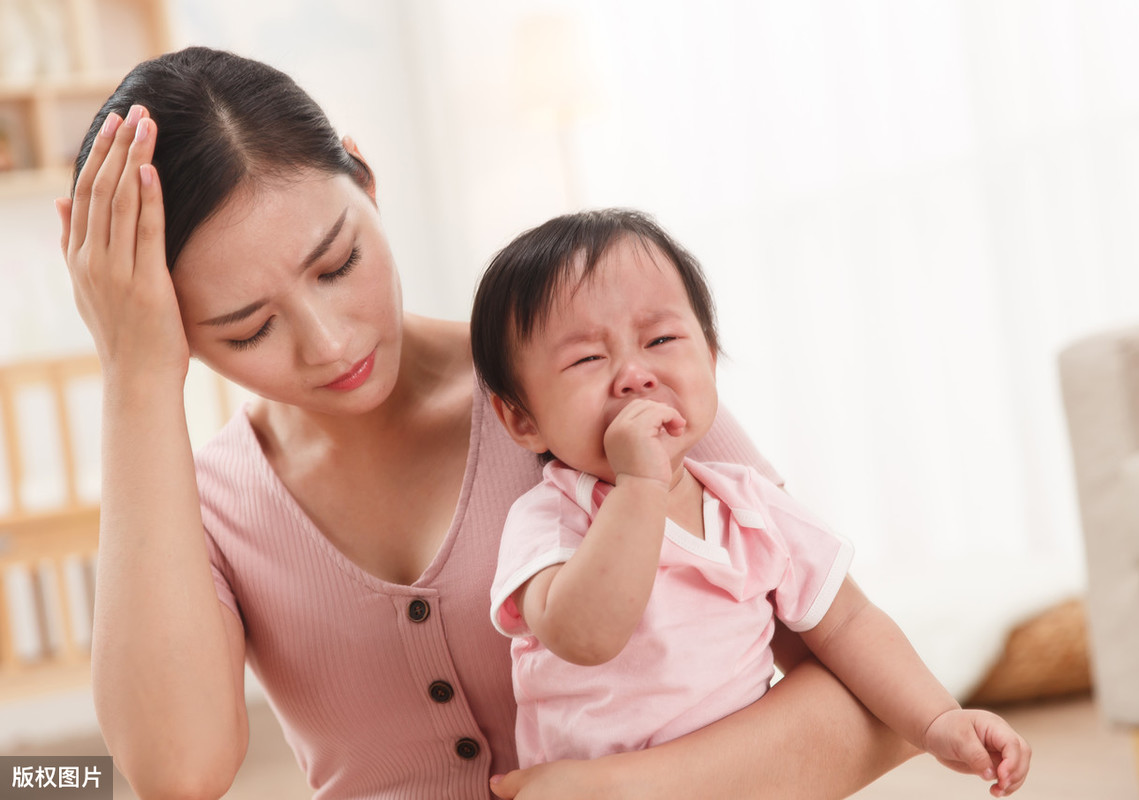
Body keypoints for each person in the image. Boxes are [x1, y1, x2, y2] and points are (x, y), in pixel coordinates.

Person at [57, 45, 917, 800]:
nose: (329, 343)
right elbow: (177, 772)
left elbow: (869, 702)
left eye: (340, 262)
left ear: (366, 179)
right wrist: (135, 379)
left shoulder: (582, 390)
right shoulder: (200, 505)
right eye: (248, 328)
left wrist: (629, 791)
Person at [470, 209, 1032, 796]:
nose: (634, 375)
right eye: (588, 358)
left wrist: (939, 720)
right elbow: (586, 636)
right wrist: (640, 486)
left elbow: (846, 621)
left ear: (709, 361)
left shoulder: (749, 506)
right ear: (523, 419)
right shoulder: (553, 517)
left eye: (661, 340)